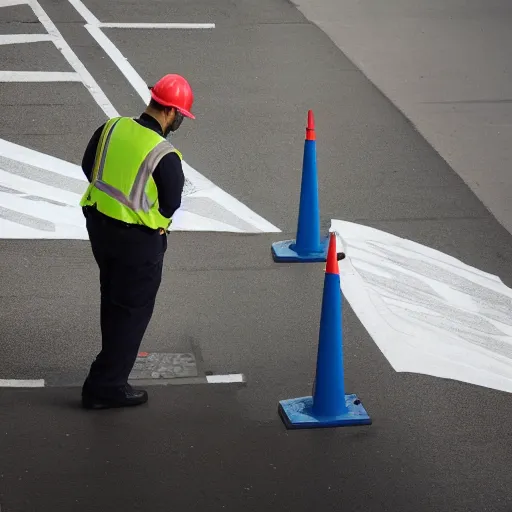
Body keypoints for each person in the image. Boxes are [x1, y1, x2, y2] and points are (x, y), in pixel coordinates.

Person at [79, 74, 195, 409]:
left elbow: (89, 166)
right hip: (138, 242)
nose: (180, 123)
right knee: (131, 313)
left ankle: (108, 376)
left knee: (113, 300)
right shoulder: (164, 153)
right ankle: (106, 386)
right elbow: (171, 203)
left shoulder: (111, 127)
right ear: (171, 112)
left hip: (99, 227)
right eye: (181, 117)